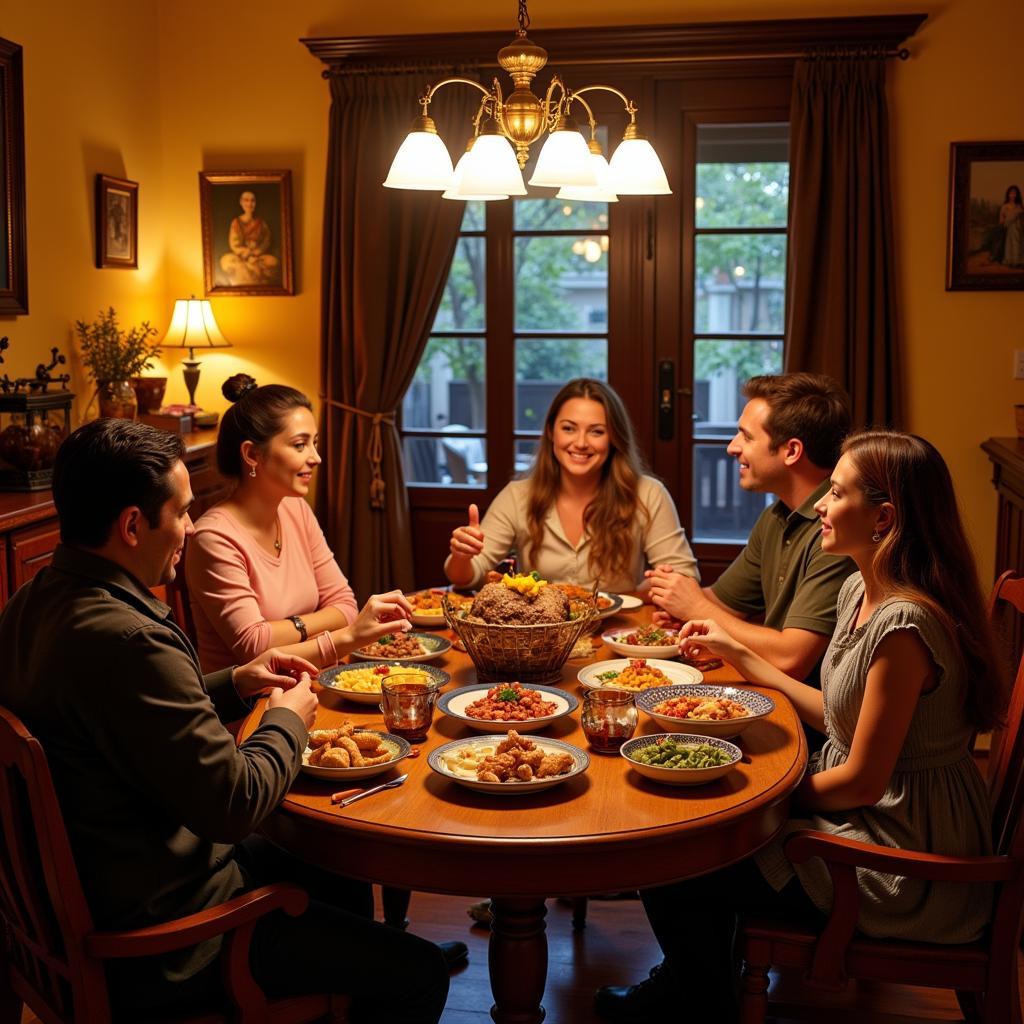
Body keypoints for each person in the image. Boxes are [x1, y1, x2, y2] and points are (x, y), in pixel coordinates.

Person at [0, 418, 450, 1022]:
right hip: (172, 937)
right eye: (182, 512)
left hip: (98, 890)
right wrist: (288, 719)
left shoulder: (34, 599)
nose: (190, 527)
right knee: (418, 975)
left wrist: (235, 683)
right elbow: (234, 804)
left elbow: (126, 719)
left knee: (334, 870)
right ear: (133, 526)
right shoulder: (131, 640)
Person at [595, 430, 1008, 1022]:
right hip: (870, 815)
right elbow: (838, 712)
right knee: (689, 832)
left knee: (678, 856)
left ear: (883, 518)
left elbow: (862, 781)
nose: (819, 504)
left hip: (900, 853)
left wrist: (764, 800)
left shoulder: (903, 628)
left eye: (836, 493)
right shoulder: (859, 591)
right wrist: (737, 652)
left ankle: (696, 998)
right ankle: (698, 984)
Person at [186, 374, 412, 674]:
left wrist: (284, 630)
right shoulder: (214, 538)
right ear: (252, 454)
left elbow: (345, 605)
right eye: (299, 445)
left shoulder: (296, 509)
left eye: (314, 443)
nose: (316, 458)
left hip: (310, 681)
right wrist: (342, 635)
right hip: (250, 710)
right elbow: (254, 645)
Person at [646, 372, 855, 685]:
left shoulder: (840, 526)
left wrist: (695, 607)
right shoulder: (776, 515)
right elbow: (721, 604)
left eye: (746, 436)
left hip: (814, 721)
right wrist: (680, 603)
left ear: (791, 451)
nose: (732, 447)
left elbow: (791, 659)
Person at [444, 378, 698, 593]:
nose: (580, 443)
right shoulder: (517, 495)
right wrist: (462, 556)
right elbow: (467, 576)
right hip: (539, 639)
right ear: (552, 432)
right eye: (569, 428)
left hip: (617, 636)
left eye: (596, 432)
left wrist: (651, 587)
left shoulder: (649, 493)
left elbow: (685, 579)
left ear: (614, 439)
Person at [219, 190, 280, 286]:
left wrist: (255, 252)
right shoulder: (236, 222)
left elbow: (266, 241)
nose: (249, 204)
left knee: (273, 262)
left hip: (257, 256)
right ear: (241, 203)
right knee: (226, 261)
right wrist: (246, 253)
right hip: (240, 257)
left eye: (252, 201)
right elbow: (234, 244)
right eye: (246, 200)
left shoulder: (261, 223)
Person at [1001, 184, 1024, 268]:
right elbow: (1001, 221)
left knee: (1019, 244)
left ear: (1017, 195)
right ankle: (1012, 261)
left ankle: (1019, 261)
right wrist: (1010, 218)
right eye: (1011, 193)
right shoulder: (1005, 206)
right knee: (1012, 243)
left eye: (1015, 193)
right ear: (1008, 194)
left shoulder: (1019, 206)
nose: (1013, 195)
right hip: (1010, 229)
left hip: (1020, 229)